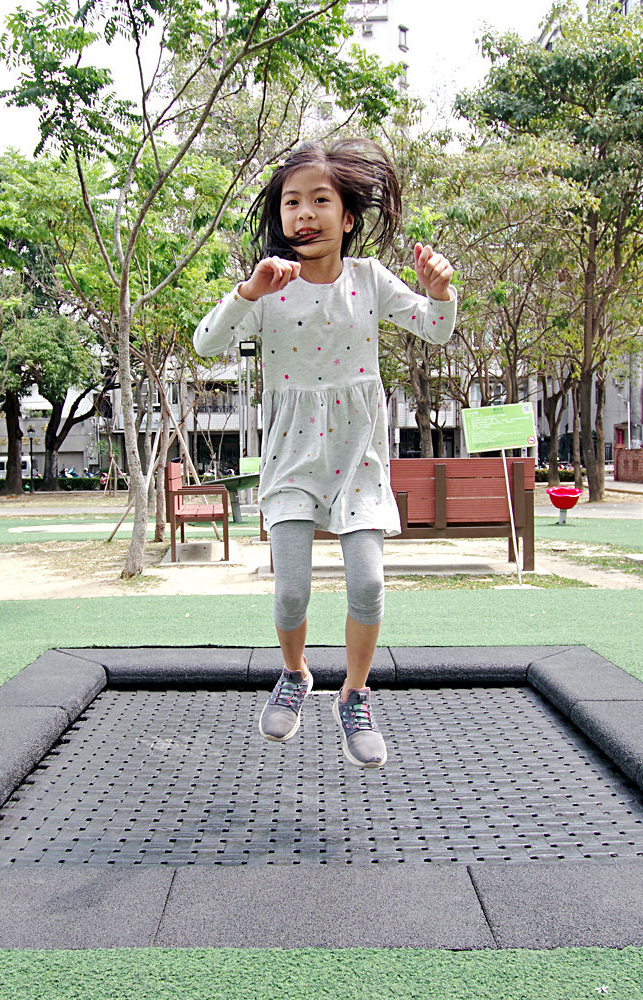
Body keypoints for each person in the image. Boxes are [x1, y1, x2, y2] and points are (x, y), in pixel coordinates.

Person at [192, 138, 456, 769]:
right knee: (291, 593)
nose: (304, 213)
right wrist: (248, 291)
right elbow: (206, 345)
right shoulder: (268, 286)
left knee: (367, 583)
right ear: (279, 218)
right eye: (291, 203)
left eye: (319, 201)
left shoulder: (368, 280)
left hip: (358, 451)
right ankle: (294, 674)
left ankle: (355, 694)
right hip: (290, 452)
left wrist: (441, 291)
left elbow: (436, 329)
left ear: (348, 218)